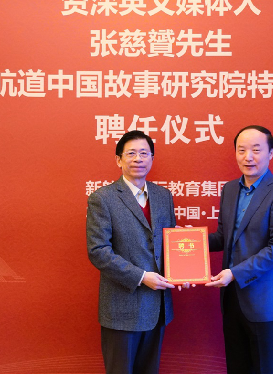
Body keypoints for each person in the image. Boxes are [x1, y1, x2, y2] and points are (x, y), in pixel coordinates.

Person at [206, 125, 273, 374]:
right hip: (232, 299)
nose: (248, 157)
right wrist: (187, 241)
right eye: (242, 150)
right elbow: (224, 237)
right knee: (237, 367)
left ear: (271, 153)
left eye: (256, 150)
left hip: (266, 302)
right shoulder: (230, 190)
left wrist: (234, 273)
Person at [86, 130, 177, 374]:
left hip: (157, 307)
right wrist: (141, 276)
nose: (138, 159)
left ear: (152, 159)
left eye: (144, 153)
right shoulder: (102, 198)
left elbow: (170, 243)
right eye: (131, 153)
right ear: (119, 160)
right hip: (122, 308)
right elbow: (98, 251)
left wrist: (183, 272)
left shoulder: (163, 196)